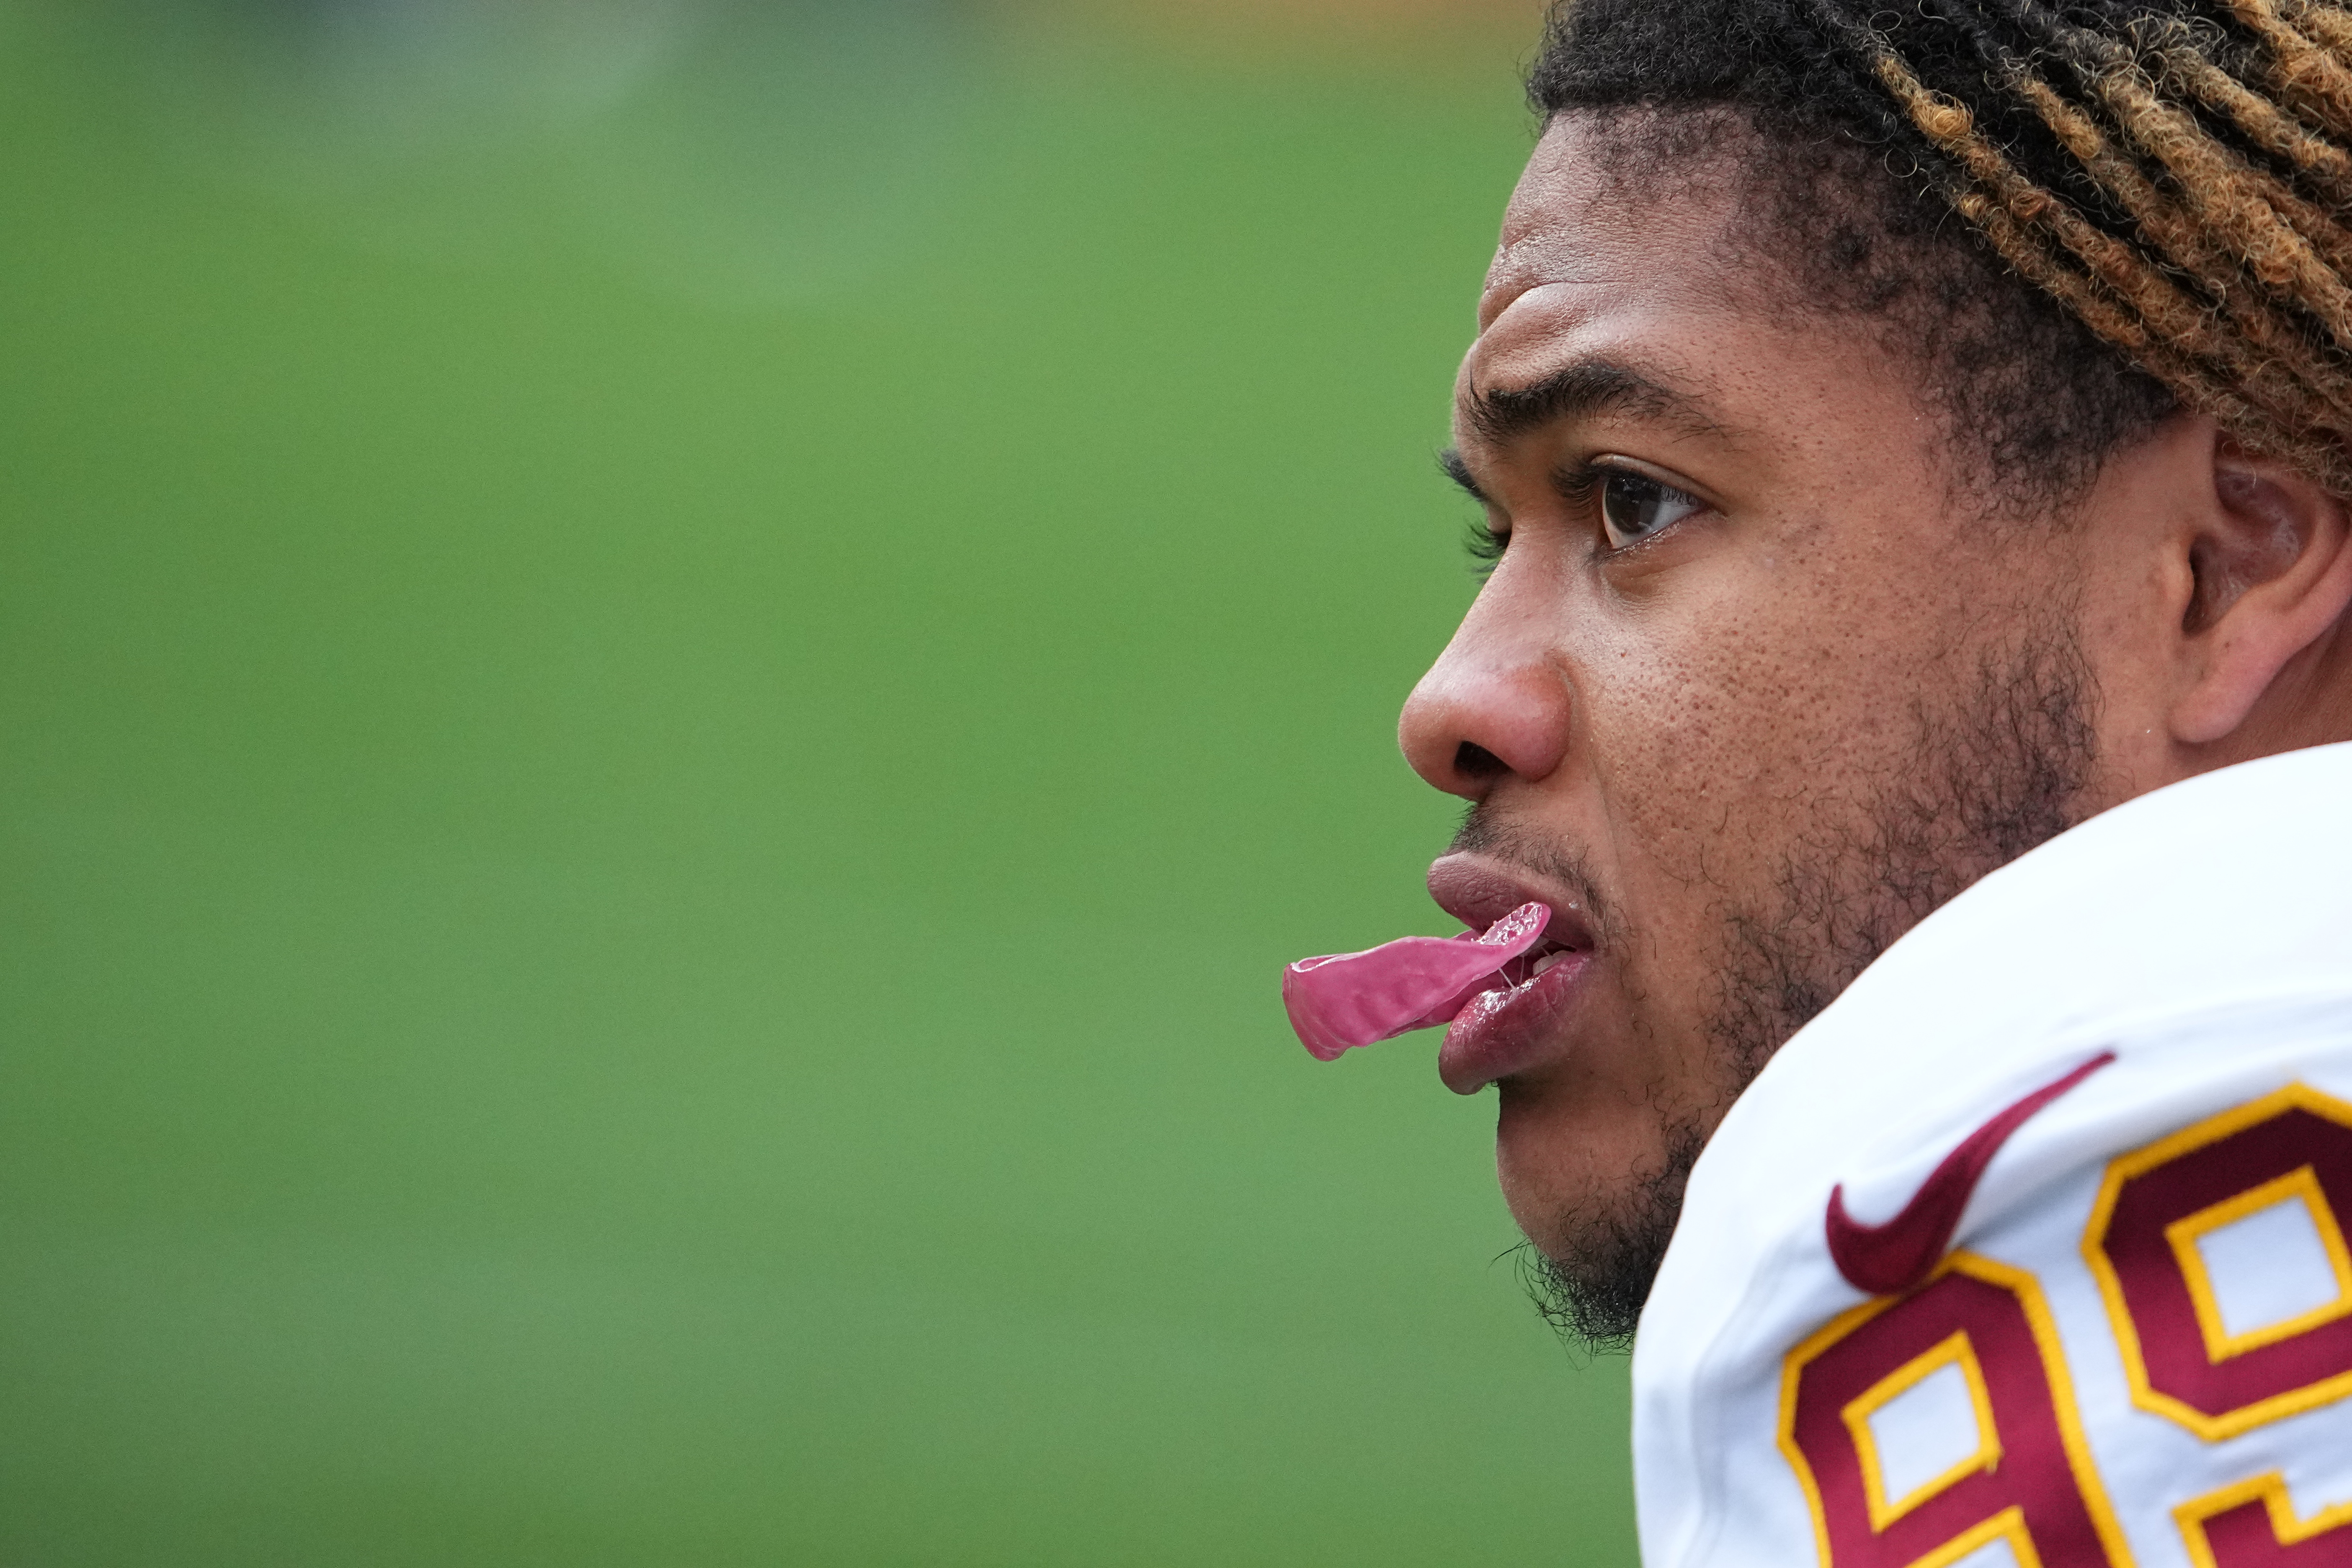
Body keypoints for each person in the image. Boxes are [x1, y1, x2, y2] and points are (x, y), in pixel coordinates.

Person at [1280, 0, 2352, 1560]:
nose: (1453, 702)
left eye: (1633, 503)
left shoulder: (2059, 1248)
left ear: (2220, 566)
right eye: (1491, 538)